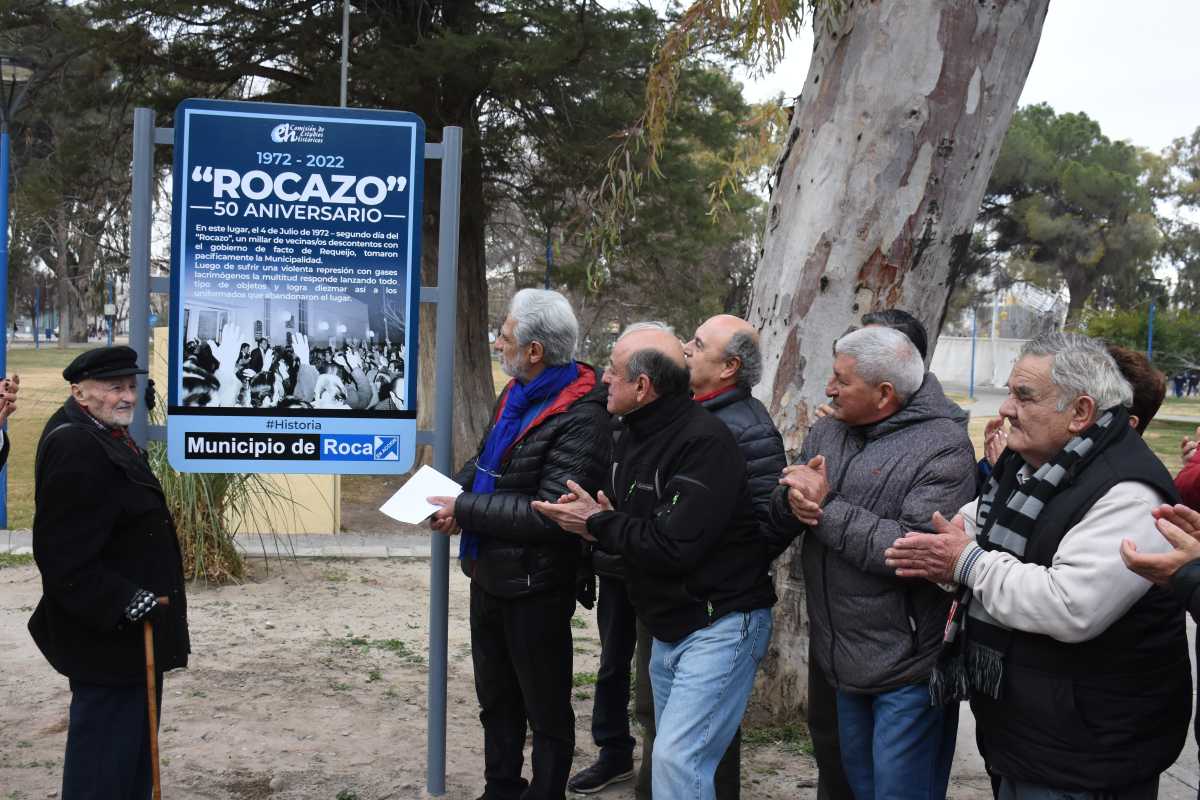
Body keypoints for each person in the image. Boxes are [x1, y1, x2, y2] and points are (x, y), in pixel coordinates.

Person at [886, 333, 1192, 799]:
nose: (1006, 408)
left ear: (1081, 413)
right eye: (1009, 392)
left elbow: (1071, 607)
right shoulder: (1031, 463)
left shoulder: (1127, 492)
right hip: (1028, 730)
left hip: (1089, 751)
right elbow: (971, 526)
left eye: (1023, 396)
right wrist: (950, 554)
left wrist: (967, 564)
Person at [534, 323, 776, 800]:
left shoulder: (704, 442)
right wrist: (595, 519)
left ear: (642, 387)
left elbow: (672, 544)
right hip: (668, 623)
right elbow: (630, 518)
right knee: (674, 758)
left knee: (676, 762)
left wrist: (599, 523)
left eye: (614, 370)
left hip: (720, 623)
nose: (604, 377)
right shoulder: (630, 432)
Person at [769, 325, 976, 800]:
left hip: (906, 665)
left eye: (842, 380)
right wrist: (792, 502)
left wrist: (826, 507)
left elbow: (914, 549)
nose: (829, 389)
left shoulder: (945, 447)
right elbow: (792, 499)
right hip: (841, 658)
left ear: (884, 393)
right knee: (858, 788)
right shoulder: (828, 429)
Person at [426, 289, 611, 800]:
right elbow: (488, 462)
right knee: (496, 699)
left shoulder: (583, 416)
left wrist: (462, 509)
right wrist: (451, 495)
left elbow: (551, 512)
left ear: (534, 350)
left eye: (504, 336)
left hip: (536, 584)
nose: (497, 342)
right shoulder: (515, 393)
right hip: (488, 570)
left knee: (545, 707)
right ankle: (501, 788)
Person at [28, 345, 190, 800]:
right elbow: (62, 555)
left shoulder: (103, 433)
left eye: (132, 387)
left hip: (133, 640)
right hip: (108, 640)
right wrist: (119, 599)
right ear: (80, 392)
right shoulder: (75, 444)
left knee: (132, 759)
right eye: (114, 387)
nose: (128, 397)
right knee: (103, 765)